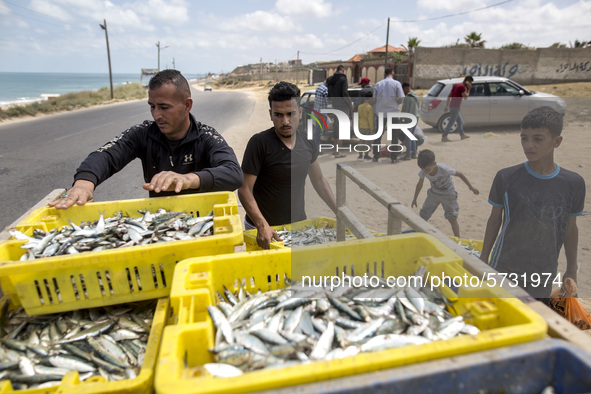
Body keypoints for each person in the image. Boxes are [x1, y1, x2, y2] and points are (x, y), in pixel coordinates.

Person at [49, 69, 242, 210]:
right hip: (160, 223)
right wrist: (83, 184)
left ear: (187, 105)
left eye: (164, 107)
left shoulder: (207, 137)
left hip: (203, 224)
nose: (156, 115)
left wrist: (187, 179)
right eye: (152, 106)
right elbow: (106, 155)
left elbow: (234, 174)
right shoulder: (143, 133)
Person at [480, 107, 585, 301]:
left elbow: (570, 229)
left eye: (538, 139)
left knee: (533, 315)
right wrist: (482, 259)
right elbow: (495, 220)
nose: (529, 145)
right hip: (504, 265)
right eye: (524, 138)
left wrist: (571, 270)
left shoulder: (573, 183)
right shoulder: (506, 177)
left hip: (544, 270)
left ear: (557, 141)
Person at [238, 81, 337, 249]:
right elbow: (244, 189)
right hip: (262, 229)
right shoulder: (259, 143)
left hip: (297, 227)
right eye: (278, 115)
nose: (285, 121)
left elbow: (319, 180)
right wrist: (262, 225)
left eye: (290, 114)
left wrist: (339, 212)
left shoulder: (308, 141)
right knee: (267, 275)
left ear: (299, 112)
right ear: (270, 114)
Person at [411, 149, 479, 237]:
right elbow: (420, 184)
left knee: (452, 218)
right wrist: (415, 198)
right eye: (423, 169)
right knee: (423, 216)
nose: (425, 171)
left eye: (427, 169)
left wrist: (471, 187)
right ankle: (418, 234)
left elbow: (460, 174)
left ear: (434, 164)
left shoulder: (444, 169)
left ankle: (458, 239)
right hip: (434, 194)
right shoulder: (423, 171)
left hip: (448, 195)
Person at [372, 68, 405, 163]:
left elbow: (374, 99)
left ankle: (375, 156)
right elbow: (401, 98)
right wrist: (395, 103)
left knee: (378, 134)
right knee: (394, 135)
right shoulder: (397, 84)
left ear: (384, 74)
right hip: (393, 112)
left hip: (381, 112)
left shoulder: (378, 84)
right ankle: (394, 157)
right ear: (393, 73)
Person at [326, 65, 353, 158]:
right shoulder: (343, 79)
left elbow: (329, 94)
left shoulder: (330, 80)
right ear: (342, 70)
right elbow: (345, 93)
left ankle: (335, 151)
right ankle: (338, 152)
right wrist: (350, 104)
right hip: (343, 106)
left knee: (336, 128)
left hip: (335, 105)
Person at [442, 75, 473, 142]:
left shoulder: (456, 85)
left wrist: (447, 105)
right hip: (455, 107)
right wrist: (469, 89)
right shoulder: (462, 87)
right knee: (451, 122)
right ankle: (444, 136)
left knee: (459, 120)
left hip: (452, 106)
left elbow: (449, 95)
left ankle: (462, 135)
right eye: (470, 82)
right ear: (467, 81)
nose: (470, 84)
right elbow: (465, 97)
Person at [401, 82, 420, 160]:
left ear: (406, 89)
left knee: (408, 137)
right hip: (416, 117)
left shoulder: (407, 97)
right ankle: (414, 153)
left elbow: (404, 110)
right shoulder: (416, 96)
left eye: (403, 90)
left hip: (409, 118)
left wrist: (401, 118)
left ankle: (408, 155)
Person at [356, 91, 374, 162]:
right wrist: (371, 129)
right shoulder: (370, 107)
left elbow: (358, 117)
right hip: (367, 126)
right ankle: (366, 155)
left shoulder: (360, 106)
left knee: (361, 141)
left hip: (360, 126)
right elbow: (370, 119)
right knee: (367, 142)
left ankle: (360, 155)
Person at [313, 80, 329, 146]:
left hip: (316, 111)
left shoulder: (319, 88)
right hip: (322, 113)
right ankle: (315, 148)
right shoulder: (325, 90)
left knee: (317, 131)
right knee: (318, 132)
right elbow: (327, 102)